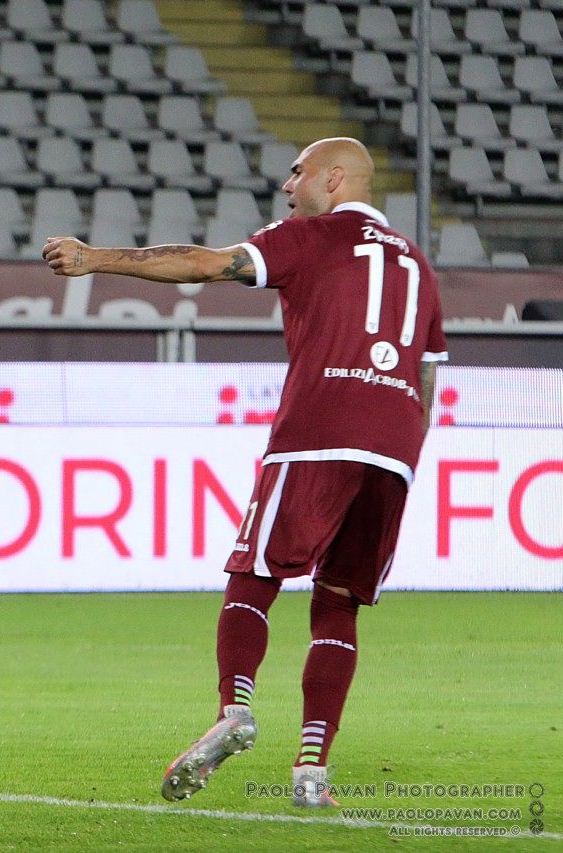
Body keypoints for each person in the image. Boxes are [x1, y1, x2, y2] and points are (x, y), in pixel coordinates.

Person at [44, 137, 446, 808]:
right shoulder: (418, 263)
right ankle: (312, 771)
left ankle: (235, 709)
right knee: (338, 603)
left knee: (253, 576)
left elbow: (207, 263)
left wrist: (95, 259)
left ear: (334, 179)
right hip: (397, 446)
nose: (288, 187)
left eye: (298, 173)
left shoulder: (312, 236)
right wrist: (405, 448)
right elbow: (429, 374)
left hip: (320, 427)